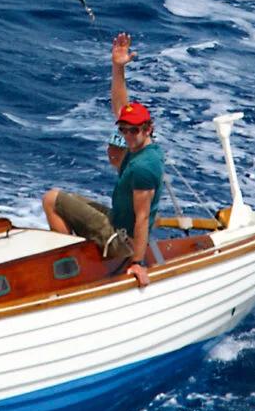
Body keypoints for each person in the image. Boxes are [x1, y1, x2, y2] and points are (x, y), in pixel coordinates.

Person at [42, 33, 165, 287]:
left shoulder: (144, 167)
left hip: (122, 240)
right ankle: (79, 255)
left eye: (134, 130)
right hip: (117, 221)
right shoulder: (141, 146)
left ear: (148, 129)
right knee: (68, 200)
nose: (127, 135)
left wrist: (137, 262)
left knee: (52, 200)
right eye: (123, 130)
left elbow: (142, 218)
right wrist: (118, 67)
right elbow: (121, 107)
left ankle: (72, 272)